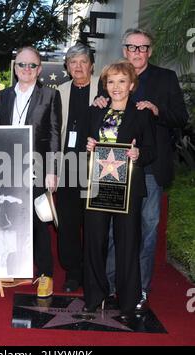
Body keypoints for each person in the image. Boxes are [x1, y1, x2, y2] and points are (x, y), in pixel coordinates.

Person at [94, 28, 189, 311]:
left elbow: (181, 118)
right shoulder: (110, 76)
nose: (137, 52)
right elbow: (103, 119)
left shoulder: (165, 78)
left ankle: (140, 290)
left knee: (147, 231)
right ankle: (109, 287)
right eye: (132, 47)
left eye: (143, 47)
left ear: (150, 50)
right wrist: (99, 103)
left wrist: (158, 111)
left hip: (150, 168)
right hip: (115, 168)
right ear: (124, 50)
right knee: (112, 232)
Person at [0, 46, 61, 297]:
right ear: (15, 69)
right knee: (12, 218)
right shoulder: (4, 95)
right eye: (22, 65)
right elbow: (0, 127)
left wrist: (53, 170)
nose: (27, 69)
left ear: (39, 69)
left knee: (38, 221)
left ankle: (45, 274)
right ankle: (17, 270)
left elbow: (55, 134)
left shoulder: (50, 95)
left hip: (37, 167)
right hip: (8, 167)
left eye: (32, 65)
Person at [84, 60, 156, 319]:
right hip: (97, 186)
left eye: (122, 81)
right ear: (105, 85)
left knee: (127, 244)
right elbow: (85, 142)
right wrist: (89, 144)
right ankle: (94, 295)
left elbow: (151, 151)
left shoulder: (142, 113)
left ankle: (127, 300)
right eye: (111, 81)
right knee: (94, 242)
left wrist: (138, 153)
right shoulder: (95, 111)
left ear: (132, 85)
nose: (116, 86)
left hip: (128, 190)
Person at [56, 43, 99, 293]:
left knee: (95, 224)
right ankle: (73, 272)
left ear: (91, 65)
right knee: (69, 223)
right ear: (67, 67)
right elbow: (52, 132)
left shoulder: (105, 89)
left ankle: (93, 272)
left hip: (97, 168)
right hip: (68, 167)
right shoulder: (58, 92)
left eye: (83, 61)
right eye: (73, 62)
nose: (78, 66)